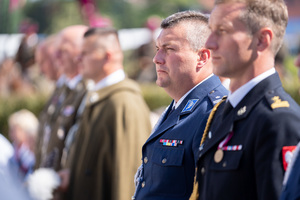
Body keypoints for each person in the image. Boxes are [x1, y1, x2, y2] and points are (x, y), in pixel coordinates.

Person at [190, 1, 300, 200]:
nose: (209, 43)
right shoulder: (224, 110)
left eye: (222, 31)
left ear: (261, 40)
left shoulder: (278, 120)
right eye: (211, 30)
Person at [132, 11, 228, 200]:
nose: (157, 58)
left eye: (169, 49)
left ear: (202, 57)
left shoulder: (214, 112)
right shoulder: (179, 105)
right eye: (157, 48)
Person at [57, 27, 152, 200]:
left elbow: (126, 177)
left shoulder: (123, 102)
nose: (78, 58)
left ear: (107, 56)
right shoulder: (100, 97)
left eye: (85, 53)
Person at [35, 25, 88, 171]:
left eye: (63, 51)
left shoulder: (88, 91)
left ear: (81, 51)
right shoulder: (65, 89)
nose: (56, 57)